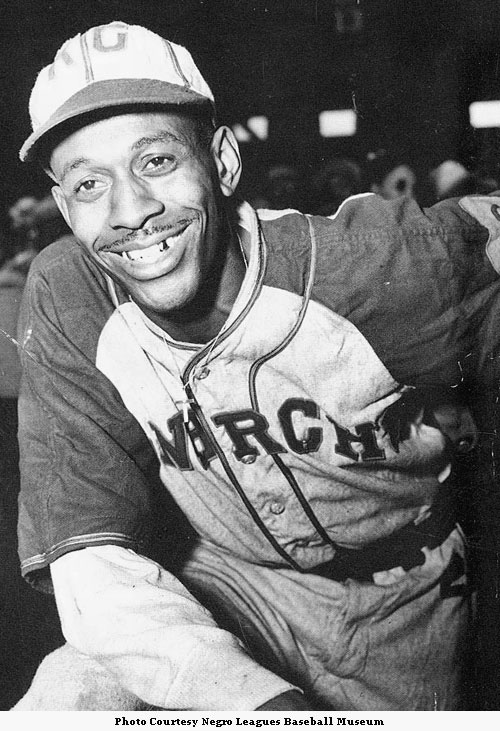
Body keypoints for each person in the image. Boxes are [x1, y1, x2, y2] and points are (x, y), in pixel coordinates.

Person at [11, 21, 500, 711]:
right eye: (90, 183)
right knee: (64, 702)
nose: (130, 213)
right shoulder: (72, 292)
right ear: (64, 204)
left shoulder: (370, 270)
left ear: (223, 162)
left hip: (405, 603)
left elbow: (480, 247)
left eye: (155, 162)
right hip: (230, 588)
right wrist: (254, 701)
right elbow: (93, 566)